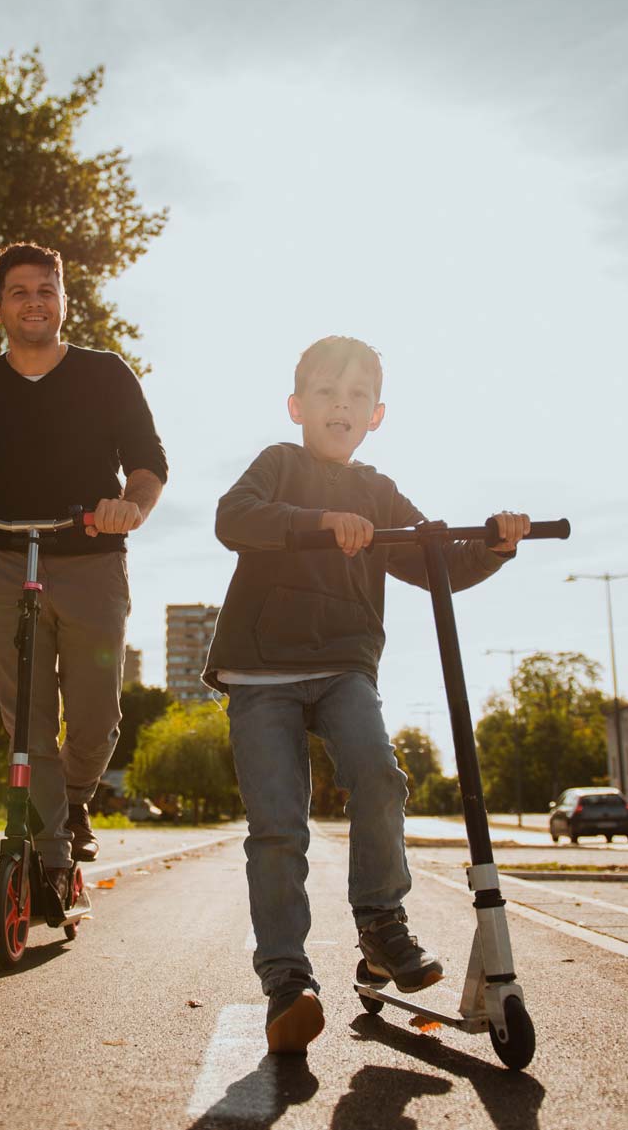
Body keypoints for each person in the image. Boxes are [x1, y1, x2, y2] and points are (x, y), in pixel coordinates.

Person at [202, 335, 528, 1054]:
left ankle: (381, 926)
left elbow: (437, 559)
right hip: (263, 671)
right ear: (297, 406)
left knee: (380, 774)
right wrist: (316, 523)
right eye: (325, 391)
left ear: (376, 414)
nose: (340, 404)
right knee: (279, 826)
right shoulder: (279, 465)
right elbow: (235, 518)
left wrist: (495, 545)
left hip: (346, 665)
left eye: (355, 395)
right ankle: (288, 979)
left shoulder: (377, 491)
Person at [0, 241, 167, 891]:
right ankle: (55, 857)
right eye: (19, 291)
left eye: (45, 289)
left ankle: (74, 795)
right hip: (8, 558)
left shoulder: (105, 373)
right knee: (26, 718)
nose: (33, 301)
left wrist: (132, 507)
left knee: (96, 719)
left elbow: (149, 462)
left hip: (92, 558)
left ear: (64, 301)